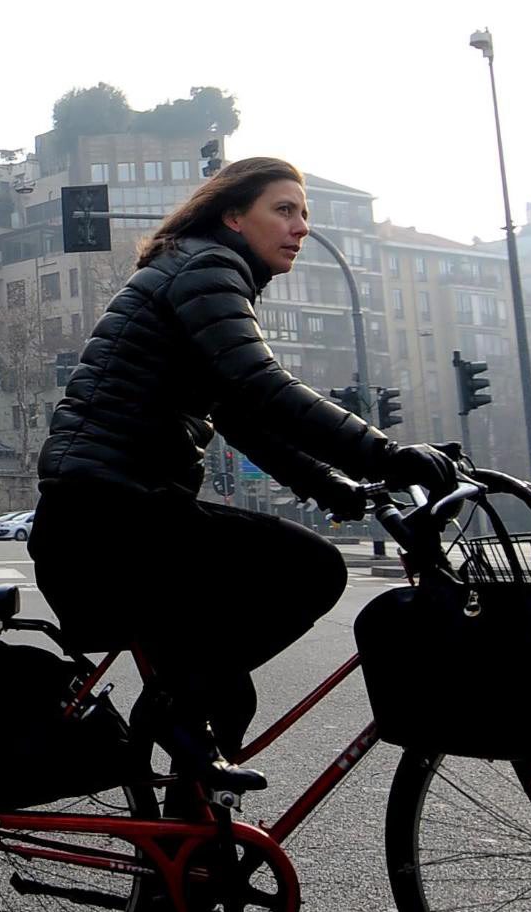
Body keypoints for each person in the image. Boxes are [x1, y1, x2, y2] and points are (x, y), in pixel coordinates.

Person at [26, 155, 456, 776]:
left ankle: (190, 863)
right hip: (110, 518)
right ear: (231, 215)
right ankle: (170, 713)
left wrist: (334, 487)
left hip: (109, 517)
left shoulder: (197, 271)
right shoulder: (207, 267)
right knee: (311, 569)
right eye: (283, 210)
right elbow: (261, 386)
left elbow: (241, 416)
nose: (301, 227)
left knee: (224, 694)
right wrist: (386, 455)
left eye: (304, 214)